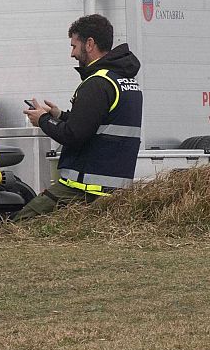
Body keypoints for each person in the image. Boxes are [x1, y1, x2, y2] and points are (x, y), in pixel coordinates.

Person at [18, 14, 143, 217]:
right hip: (112, 188)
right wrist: (59, 115)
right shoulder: (123, 80)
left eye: (74, 46)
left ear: (90, 44)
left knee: (21, 221)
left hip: (85, 188)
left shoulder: (97, 83)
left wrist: (42, 120)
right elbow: (97, 124)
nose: (72, 54)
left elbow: (73, 135)